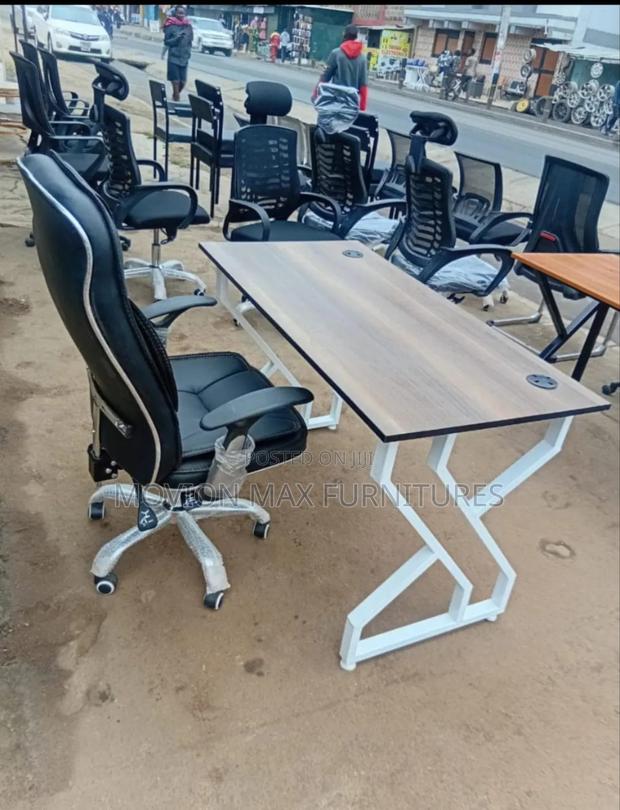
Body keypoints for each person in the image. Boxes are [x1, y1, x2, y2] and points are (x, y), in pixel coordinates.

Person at [312, 24, 368, 111]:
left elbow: (325, 77)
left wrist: (315, 94)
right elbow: (363, 85)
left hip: (336, 100)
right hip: (352, 103)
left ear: (344, 35)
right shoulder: (362, 58)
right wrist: (362, 107)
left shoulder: (336, 54)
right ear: (356, 36)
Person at [163, 5, 193, 102]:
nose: (181, 15)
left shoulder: (188, 26)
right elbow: (166, 41)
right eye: (179, 13)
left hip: (184, 58)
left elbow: (190, 41)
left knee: (183, 82)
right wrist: (176, 39)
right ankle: (176, 99)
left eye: (183, 13)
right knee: (175, 81)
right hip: (173, 57)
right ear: (175, 14)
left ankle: (175, 95)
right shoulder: (170, 25)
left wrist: (188, 52)